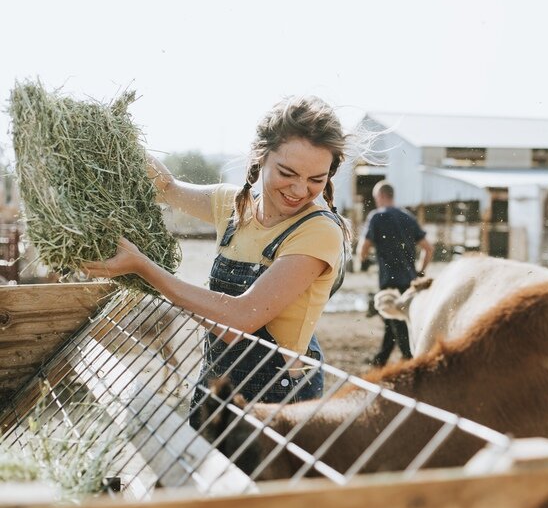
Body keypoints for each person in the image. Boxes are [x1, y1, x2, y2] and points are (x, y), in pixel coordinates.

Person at [83, 95, 352, 427]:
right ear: (261, 157)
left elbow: (239, 320)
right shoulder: (234, 205)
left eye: (316, 179)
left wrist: (143, 266)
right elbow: (166, 187)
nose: (299, 189)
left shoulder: (319, 232)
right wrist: (111, 135)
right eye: (287, 172)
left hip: (279, 401)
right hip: (217, 382)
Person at [359, 180, 433, 367]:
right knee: (393, 320)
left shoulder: (376, 217)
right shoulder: (408, 217)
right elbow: (428, 248)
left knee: (396, 323)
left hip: (388, 280)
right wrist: (420, 271)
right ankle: (381, 359)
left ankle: (410, 360)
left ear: (381, 196)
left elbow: (363, 248)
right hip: (409, 280)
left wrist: (364, 261)